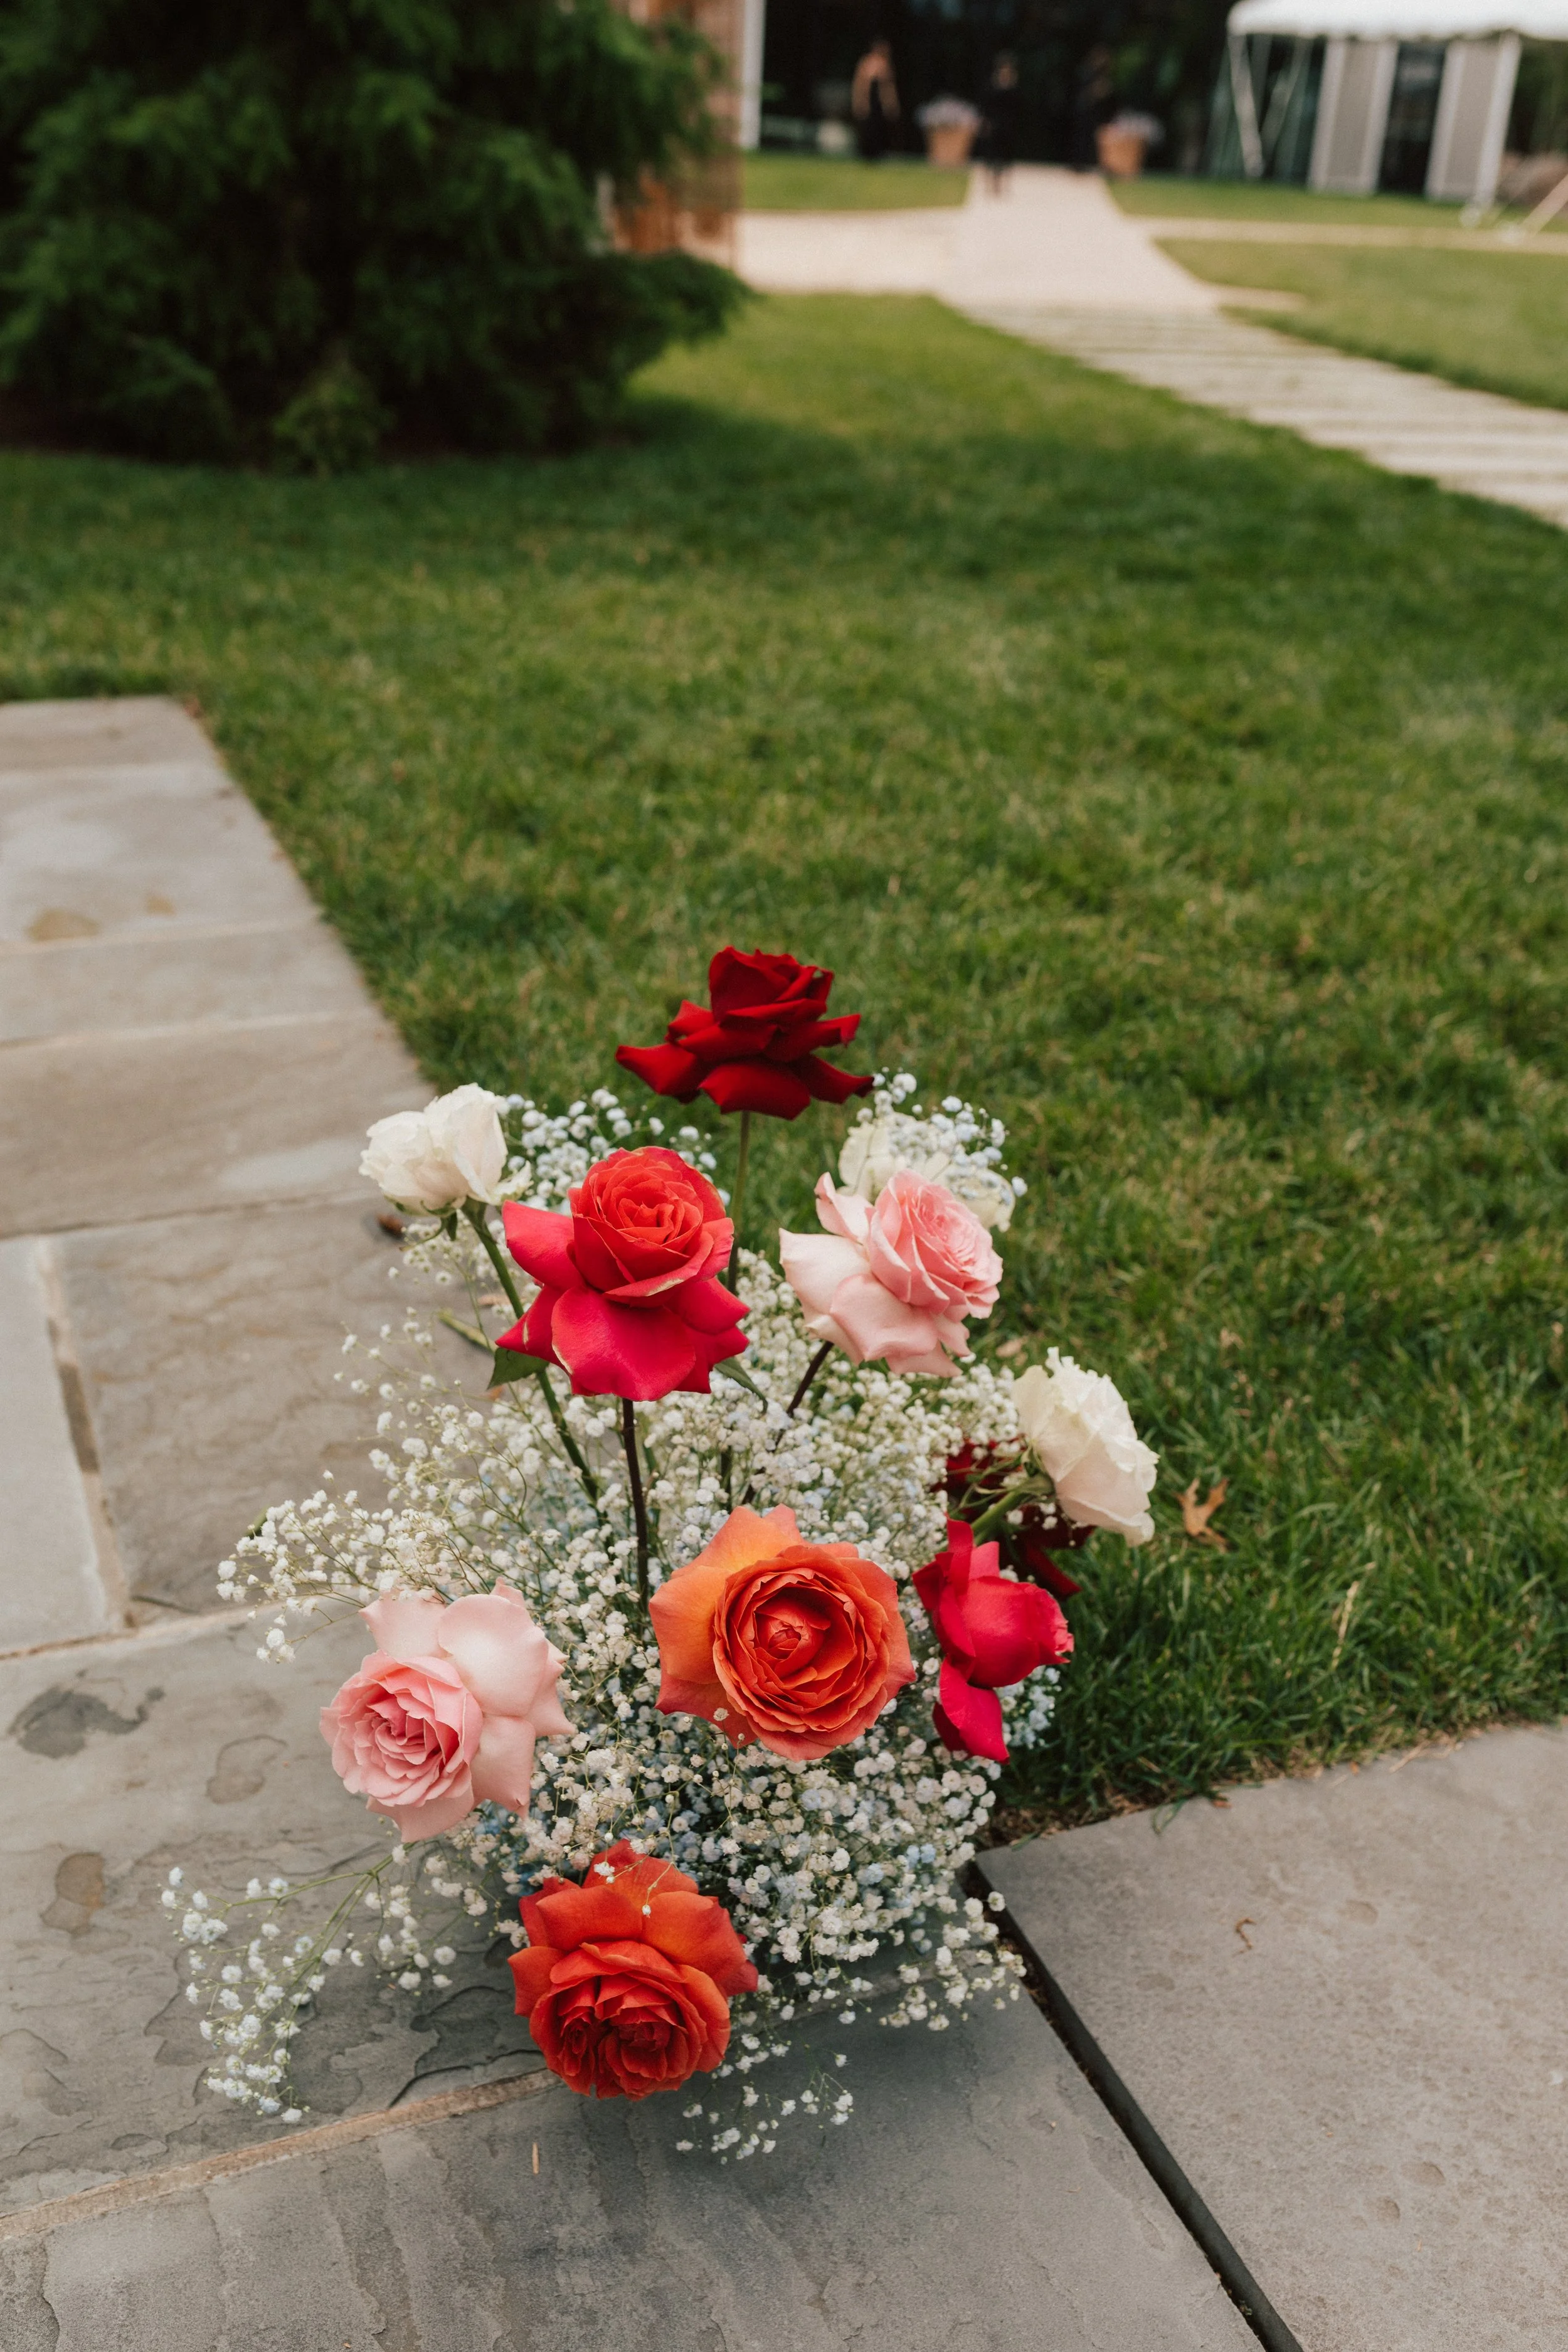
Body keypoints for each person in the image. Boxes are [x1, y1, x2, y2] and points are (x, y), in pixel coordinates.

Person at [852, 39, 899, 163]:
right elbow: (860, 85)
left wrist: (891, 103)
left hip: (879, 104)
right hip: (869, 101)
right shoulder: (866, 63)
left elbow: (888, 87)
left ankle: (879, 154)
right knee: (867, 129)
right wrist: (860, 102)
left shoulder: (885, 65)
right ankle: (866, 155)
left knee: (879, 129)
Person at [1071, 43, 1115, 172]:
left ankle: (1085, 163)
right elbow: (1086, 92)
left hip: (1093, 111)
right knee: (1081, 138)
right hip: (1084, 110)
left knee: (1090, 138)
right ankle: (1078, 164)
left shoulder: (1102, 73)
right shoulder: (1087, 72)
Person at [981, 52, 1020, 193]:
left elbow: (1018, 108)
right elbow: (986, 105)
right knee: (992, 154)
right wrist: (986, 122)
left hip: (1008, 125)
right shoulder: (992, 85)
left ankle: (1004, 183)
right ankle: (992, 182)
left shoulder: (1014, 86)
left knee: (1006, 155)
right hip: (995, 124)